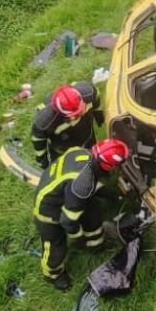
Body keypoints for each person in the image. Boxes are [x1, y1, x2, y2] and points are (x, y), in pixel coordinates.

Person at [33, 140, 130, 290]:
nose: (118, 170)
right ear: (107, 166)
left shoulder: (84, 154)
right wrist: (79, 238)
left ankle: (96, 245)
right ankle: (53, 275)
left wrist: (110, 194)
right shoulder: (82, 185)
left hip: (62, 190)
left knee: (93, 214)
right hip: (49, 210)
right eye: (117, 167)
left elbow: (89, 181)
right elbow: (67, 221)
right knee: (55, 246)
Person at [31, 83, 103, 168]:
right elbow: (38, 141)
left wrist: (98, 113)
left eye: (81, 110)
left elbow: (96, 97)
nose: (79, 114)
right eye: (74, 115)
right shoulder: (45, 121)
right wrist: (42, 160)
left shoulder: (88, 92)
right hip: (63, 150)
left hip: (88, 137)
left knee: (93, 161)